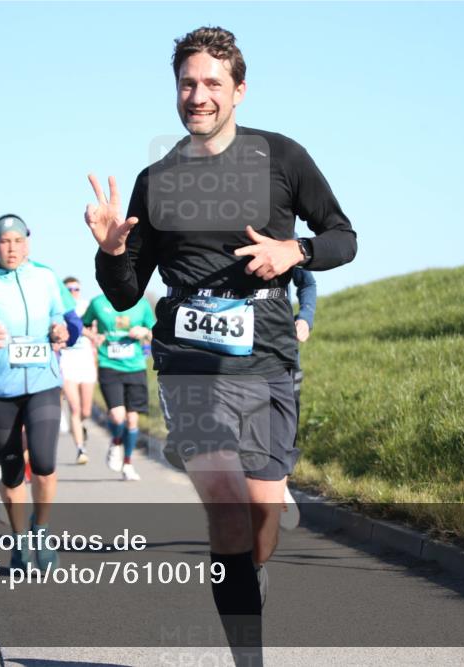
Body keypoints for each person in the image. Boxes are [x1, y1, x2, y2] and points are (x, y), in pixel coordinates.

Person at [84, 27, 355, 665]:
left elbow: (343, 235)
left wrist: (297, 250)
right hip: (187, 361)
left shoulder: (283, 159)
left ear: (239, 89)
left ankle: (245, 579)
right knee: (229, 514)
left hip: (267, 355)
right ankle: (248, 657)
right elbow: (126, 295)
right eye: (187, 83)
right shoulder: (159, 179)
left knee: (261, 523)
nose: (197, 96)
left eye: (211, 83)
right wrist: (110, 252)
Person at [0, 214, 72, 570]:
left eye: (18, 240)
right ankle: (20, 541)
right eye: (5, 241)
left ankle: (42, 530)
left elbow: (64, 318)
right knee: (10, 472)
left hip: (44, 383)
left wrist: (61, 331)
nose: (12, 248)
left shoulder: (46, 278)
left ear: (28, 243)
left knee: (45, 462)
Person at [82, 292, 156, 481]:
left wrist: (145, 332)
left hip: (136, 366)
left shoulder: (141, 303)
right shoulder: (98, 303)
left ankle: (128, 464)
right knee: (117, 415)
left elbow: (155, 331)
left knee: (132, 420)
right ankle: (116, 442)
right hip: (109, 365)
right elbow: (82, 325)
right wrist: (93, 336)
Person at [281, 266, 316, 530]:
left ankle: (280, 482)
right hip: (231, 358)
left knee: (285, 426)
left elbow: (307, 283)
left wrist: (304, 318)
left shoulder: (282, 232)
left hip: (282, 354)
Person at [58, 277, 98, 464]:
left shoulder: (87, 306)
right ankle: (81, 450)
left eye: (76, 288)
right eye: (69, 289)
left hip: (86, 361)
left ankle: (80, 427)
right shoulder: (59, 308)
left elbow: (96, 328)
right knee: (74, 407)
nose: (73, 292)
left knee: (86, 411)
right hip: (67, 360)